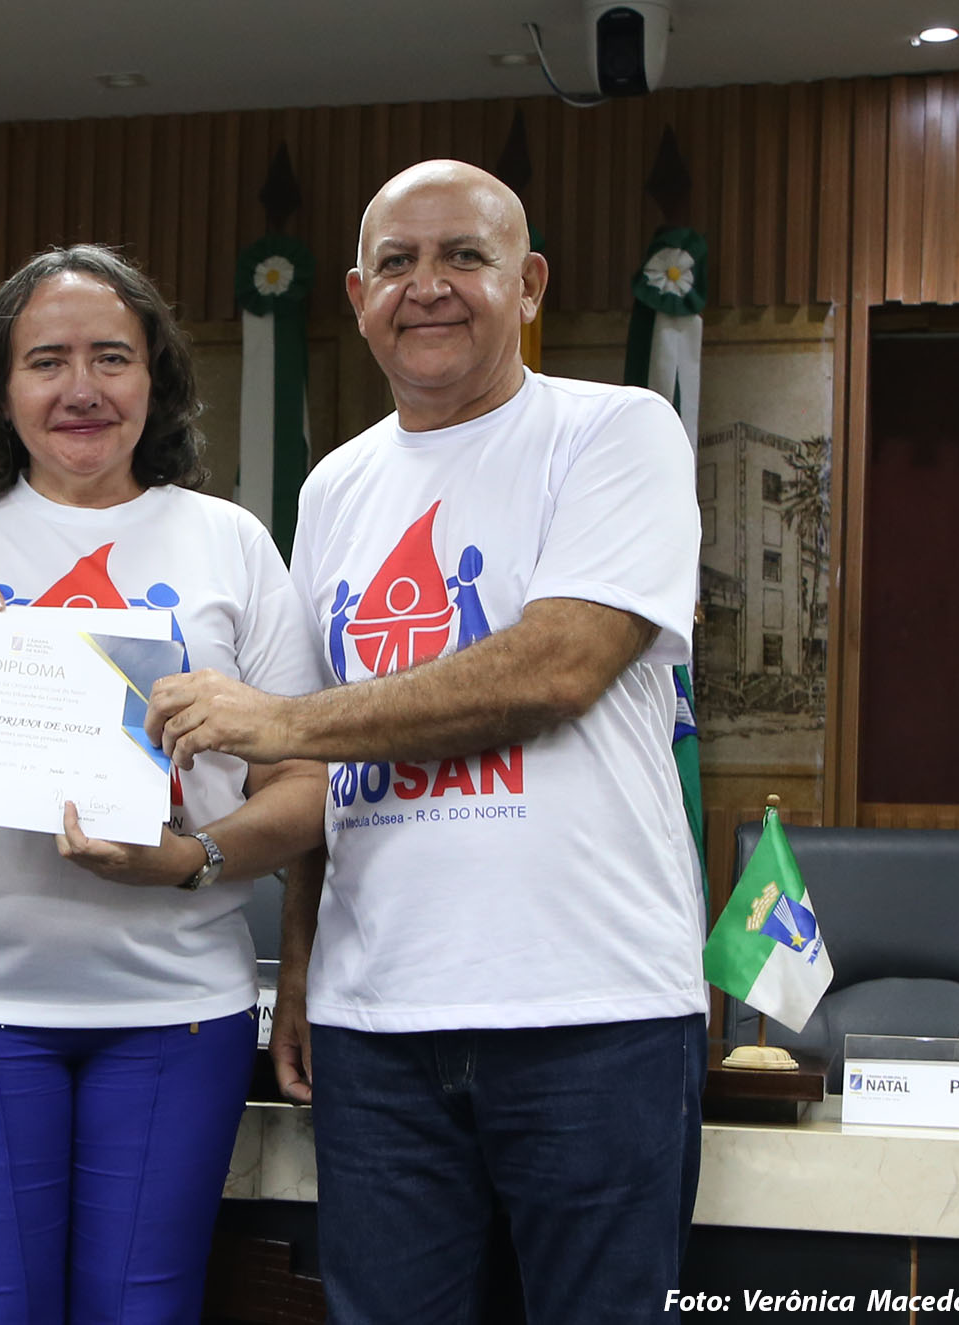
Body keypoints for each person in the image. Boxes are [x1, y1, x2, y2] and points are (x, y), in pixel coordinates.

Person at [148, 160, 708, 1324]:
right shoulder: (335, 487)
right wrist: (299, 961)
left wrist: (280, 717)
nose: (428, 286)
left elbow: (555, 665)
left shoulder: (614, 430)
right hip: (376, 1023)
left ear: (529, 283)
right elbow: (319, 775)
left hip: (589, 1010)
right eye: (396, 263)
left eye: (464, 255)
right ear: (358, 297)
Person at [0, 245, 328, 1323]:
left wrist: (192, 858)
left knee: (146, 1308)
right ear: (1, 388)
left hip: (176, 1007)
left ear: (155, 378)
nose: (80, 388)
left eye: (111, 358)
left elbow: (307, 782)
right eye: (46, 361)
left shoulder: (229, 542)